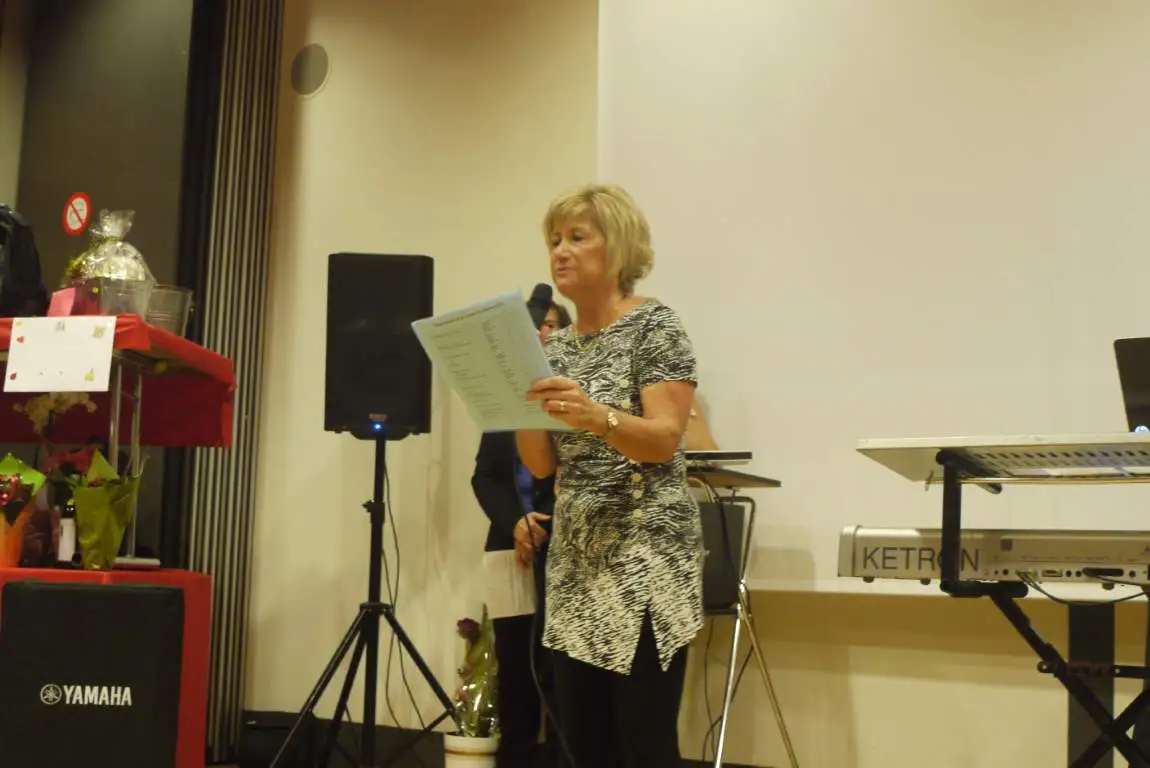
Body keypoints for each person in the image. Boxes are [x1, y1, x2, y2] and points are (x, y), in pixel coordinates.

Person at [516, 183, 703, 767]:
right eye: (554, 240)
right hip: (576, 561)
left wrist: (596, 416)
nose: (560, 251)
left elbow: (664, 439)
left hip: (645, 556)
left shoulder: (655, 327)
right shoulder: (554, 350)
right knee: (583, 741)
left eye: (577, 237)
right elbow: (541, 464)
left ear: (617, 246)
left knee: (642, 740)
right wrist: (514, 398)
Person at [471, 298, 570, 768]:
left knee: (562, 670)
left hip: (563, 546)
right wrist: (516, 522)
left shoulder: (577, 396)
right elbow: (484, 477)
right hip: (508, 546)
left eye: (552, 325)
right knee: (514, 669)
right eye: (536, 326)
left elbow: (575, 473)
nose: (542, 333)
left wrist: (542, 523)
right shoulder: (506, 400)